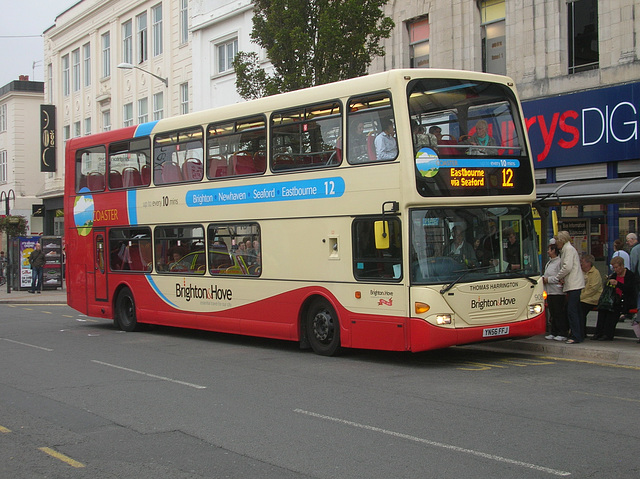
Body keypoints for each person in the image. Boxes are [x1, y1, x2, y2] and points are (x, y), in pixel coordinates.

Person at [543, 231, 585, 343]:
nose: (556, 244)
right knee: (575, 310)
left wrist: (558, 277)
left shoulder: (568, 250)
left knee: (572, 311)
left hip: (574, 284)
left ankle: (576, 336)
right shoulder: (567, 250)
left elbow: (567, 267)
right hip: (572, 284)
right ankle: (579, 334)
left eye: (557, 241)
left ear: (561, 241)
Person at [592, 256, 636, 341]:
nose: (615, 270)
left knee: (613, 310)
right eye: (614, 268)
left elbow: (630, 290)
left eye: (617, 267)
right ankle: (598, 332)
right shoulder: (614, 275)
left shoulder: (630, 275)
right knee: (603, 309)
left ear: (622, 266)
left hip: (625, 300)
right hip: (613, 299)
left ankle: (608, 334)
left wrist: (618, 283)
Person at [543, 240, 568, 341]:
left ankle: (562, 332)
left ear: (554, 251)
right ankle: (553, 331)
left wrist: (547, 280)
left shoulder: (559, 262)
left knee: (558, 313)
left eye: (550, 249)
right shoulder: (549, 263)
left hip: (557, 292)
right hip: (550, 291)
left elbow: (559, 277)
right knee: (553, 313)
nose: (548, 251)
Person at [579, 253, 602, 336]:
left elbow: (593, 289)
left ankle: (582, 332)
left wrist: (580, 297)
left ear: (589, 263)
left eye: (583, 262)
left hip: (593, 298)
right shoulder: (581, 272)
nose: (581, 264)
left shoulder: (595, 273)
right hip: (583, 297)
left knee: (581, 309)